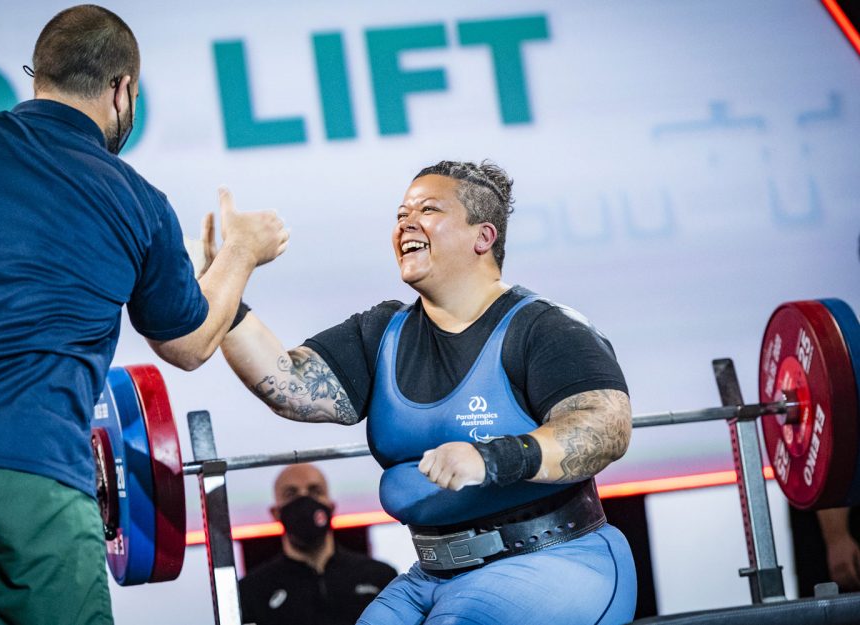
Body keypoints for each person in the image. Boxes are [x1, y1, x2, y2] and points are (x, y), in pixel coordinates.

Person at [0, 5, 287, 625]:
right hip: (35, 477)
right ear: (123, 90)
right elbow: (190, 344)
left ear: (40, 75)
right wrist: (242, 253)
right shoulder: (135, 199)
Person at [214, 160, 637, 624]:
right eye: (401, 214)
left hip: (555, 559)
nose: (406, 224)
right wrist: (224, 274)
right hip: (434, 574)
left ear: (483, 237)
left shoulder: (544, 327)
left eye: (428, 210)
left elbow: (605, 425)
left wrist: (491, 458)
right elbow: (288, 386)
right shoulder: (381, 333)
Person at [238, 463, 398, 625]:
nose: (304, 500)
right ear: (275, 513)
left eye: (315, 491)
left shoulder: (380, 576)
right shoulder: (252, 591)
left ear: (331, 507)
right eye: (291, 494)